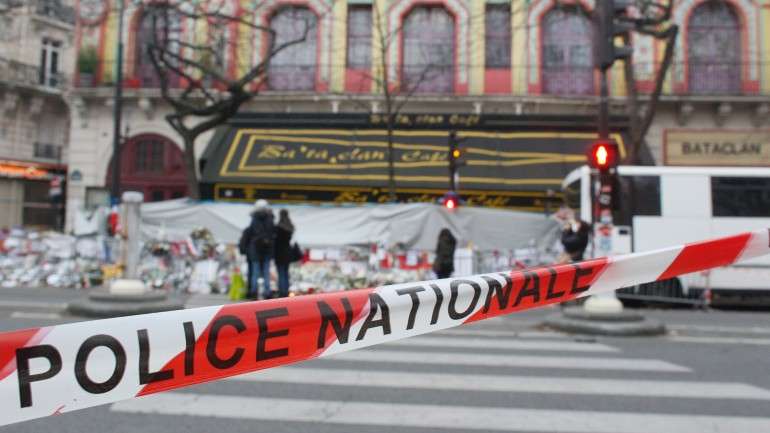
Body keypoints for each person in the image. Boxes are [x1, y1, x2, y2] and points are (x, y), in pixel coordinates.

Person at [243, 199, 275, 299]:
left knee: (255, 272)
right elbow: (272, 233)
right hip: (267, 248)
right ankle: (267, 292)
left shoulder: (254, 219)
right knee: (266, 272)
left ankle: (253, 292)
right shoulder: (270, 219)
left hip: (255, 249)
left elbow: (251, 232)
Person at [273, 209, 295, 298]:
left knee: (281, 273)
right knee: (285, 273)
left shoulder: (278, 227)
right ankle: (286, 291)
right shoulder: (290, 226)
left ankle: (282, 292)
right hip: (287, 253)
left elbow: (276, 241)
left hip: (279, 252)